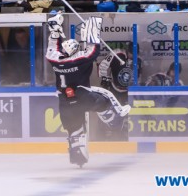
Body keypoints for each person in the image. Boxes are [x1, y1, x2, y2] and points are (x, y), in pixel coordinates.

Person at [45, 13, 130, 167]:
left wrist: (55, 29)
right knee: (104, 98)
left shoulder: (54, 59)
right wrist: (92, 30)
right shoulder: (80, 59)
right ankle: (114, 120)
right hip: (83, 97)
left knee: (74, 130)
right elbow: (93, 50)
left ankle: (77, 156)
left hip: (65, 102)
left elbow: (52, 47)